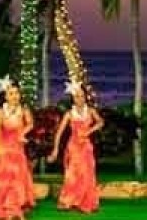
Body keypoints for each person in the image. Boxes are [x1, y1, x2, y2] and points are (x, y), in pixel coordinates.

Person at [0, 76, 36, 220]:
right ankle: (6, 210)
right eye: (11, 93)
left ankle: (15, 209)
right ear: (5, 96)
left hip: (18, 150)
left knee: (18, 179)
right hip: (3, 149)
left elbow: (30, 124)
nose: (15, 96)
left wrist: (22, 133)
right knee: (5, 180)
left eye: (17, 93)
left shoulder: (23, 110)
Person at [48, 81, 103, 213]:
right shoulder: (69, 113)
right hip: (73, 146)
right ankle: (69, 200)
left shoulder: (90, 111)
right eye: (77, 96)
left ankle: (85, 201)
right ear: (73, 98)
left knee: (87, 173)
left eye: (82, 96)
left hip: (86, 146)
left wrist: (90, 131)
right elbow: (59, 133)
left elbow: (101, 122)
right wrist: (55, 149)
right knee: (72, 174)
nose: (80, 99)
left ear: (85, 97)